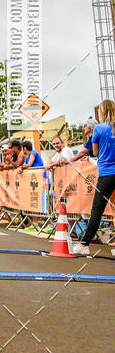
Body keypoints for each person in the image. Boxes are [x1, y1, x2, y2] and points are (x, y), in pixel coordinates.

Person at [73, 99, 115, 255]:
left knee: (97, 210)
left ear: (102, 112)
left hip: (106, 173)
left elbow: (95, 153)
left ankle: (84, 244)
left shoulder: (99, 129)